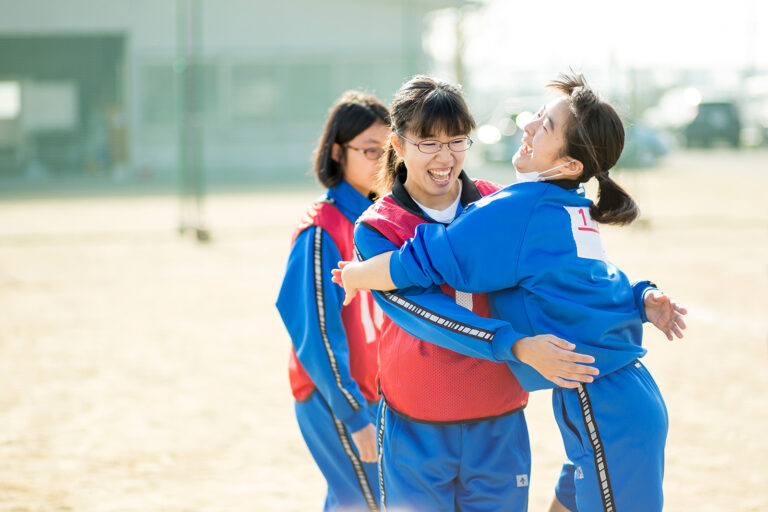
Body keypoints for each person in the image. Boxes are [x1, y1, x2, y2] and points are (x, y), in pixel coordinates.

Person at [335, 73, 687, 512]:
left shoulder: (497, 203)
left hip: (500, 427)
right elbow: (427, 313)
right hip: (417, 429)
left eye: (457, 140)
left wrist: (638, 295)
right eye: (428, 142)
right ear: (399, 143)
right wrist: (515, 344)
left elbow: (575, 277)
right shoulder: (377, 228)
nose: (445, 155)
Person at [276, 91, 390, 512]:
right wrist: (353, 412)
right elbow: (315, 333)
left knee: (354, 502)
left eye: (388, 150)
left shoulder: (378, 222)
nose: (382, 161)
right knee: (369, 502)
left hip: (374, 395)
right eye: (370, 150)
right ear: (339, 152)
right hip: (336, 399)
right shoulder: (320, 229)